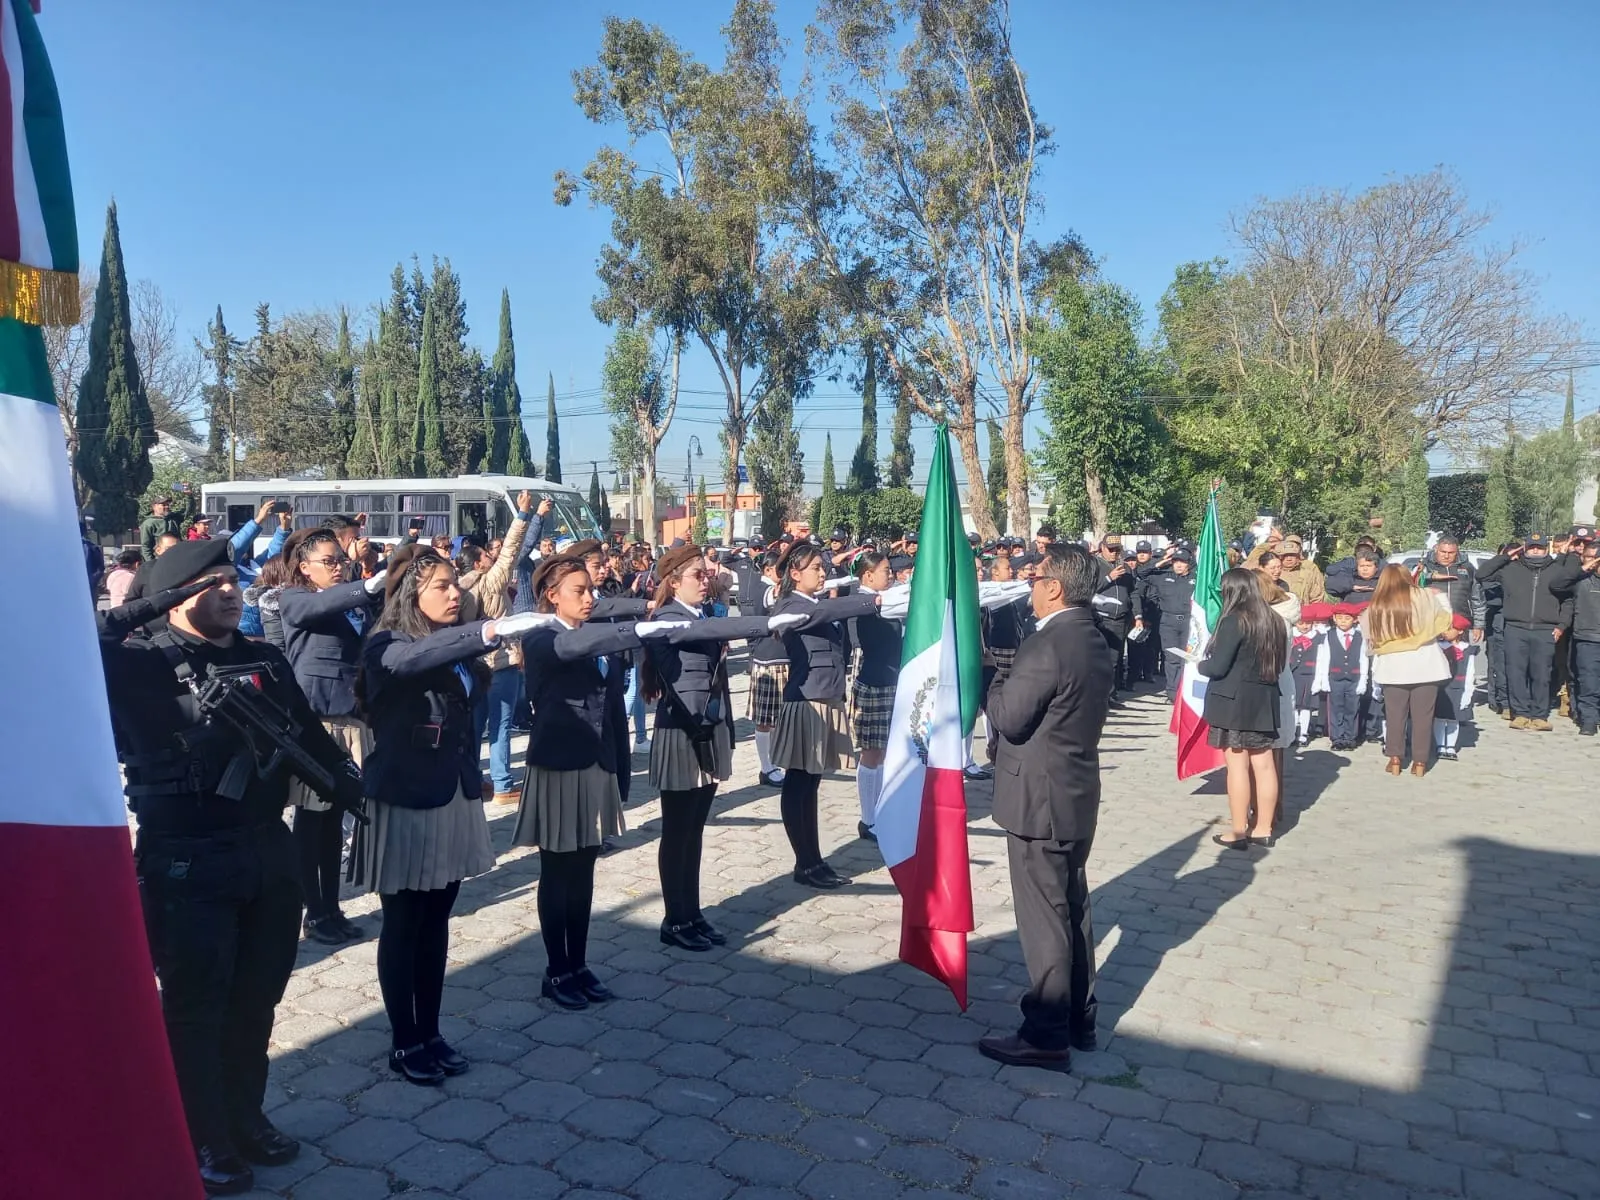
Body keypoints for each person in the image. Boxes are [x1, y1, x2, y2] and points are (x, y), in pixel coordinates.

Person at [98, 539, 363, 1193]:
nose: (227, 590)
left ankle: (246, 1117)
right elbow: (76, 641)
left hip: (267, 850)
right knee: (196, 1006)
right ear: (175, 595)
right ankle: (201, 1135)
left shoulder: (263, 657)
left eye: (230, 580)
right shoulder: (139, 663)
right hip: (187, 858)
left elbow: (308, 733)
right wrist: (148, 605)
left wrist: (350, 782)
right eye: (207, 582)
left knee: (256, 999)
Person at [358, 549, 534, 1085]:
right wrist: (485, 632)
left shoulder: (456, 646)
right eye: (440, 585)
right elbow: (408, 663)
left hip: (453, 792)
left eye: (455, 583)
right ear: (410, 595)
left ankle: (431, 1031)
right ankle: (404, 1040)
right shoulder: (387, 643)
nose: (455, 593)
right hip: (407, 797)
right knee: (404, 922)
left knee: (436, 921)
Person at [512, 554, 674, 1008]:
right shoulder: (542, 637)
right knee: (557, 871)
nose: (589, 598)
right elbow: (569, 650)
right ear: (552, 595)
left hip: (595, 763)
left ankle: (579, 964)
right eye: (579, 591)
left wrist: (617, 765)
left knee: (584, 870)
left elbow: (610, 705)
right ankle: (556, 970)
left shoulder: (592, 634)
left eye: (591, 591)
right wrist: (638, 627)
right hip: (559, 765)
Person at [977, 545, 1114, 1069]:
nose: (1030, 586)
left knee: (1044, 919)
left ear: (1054, 587)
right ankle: (1079, 1019)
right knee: (1072, 908)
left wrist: (996, 677)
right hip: (1074, 792)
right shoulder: (1092, 635)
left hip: (1039, 800)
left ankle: (1046, 1032)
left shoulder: (1048, 641)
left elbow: (1010, 717)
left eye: (1035, 578)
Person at [642, 544, 803, 951]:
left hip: (708, 728)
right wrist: (767, 623)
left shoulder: (699, 615)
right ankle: (674, 919)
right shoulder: (668, 618)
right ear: (673, 582)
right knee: (677, 830)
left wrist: (726, 730)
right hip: (682, 732)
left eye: (707, 573)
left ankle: (692, 912)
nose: (706, 580)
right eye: (697, 575)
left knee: (695, 829)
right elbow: (702, 636)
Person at [279, 528, 387, 945]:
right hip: (318, 724)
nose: (339, 567)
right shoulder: (295, 598)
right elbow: (320, 606)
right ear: (305, 567)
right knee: (312, 822)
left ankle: (332, 906)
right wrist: (367, 585)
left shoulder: (352, 601)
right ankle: (314, 911)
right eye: (329, 561)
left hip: (352, 718)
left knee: (335, 821)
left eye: (342, 559)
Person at [769, 541, 881, 888]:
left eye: (824, 568)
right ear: (795, 573)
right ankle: (804, 863)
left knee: (811, 783)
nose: (823, 573)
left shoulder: (813, 603)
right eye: (816, 568)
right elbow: (827, 612)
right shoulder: (791, 606)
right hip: (806, 702)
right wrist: (872, 600)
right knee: (799, 783)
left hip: (826, 697)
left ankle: (814, 860)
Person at [456, 493, 546, 802]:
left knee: (475, 726)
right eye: (485, 555)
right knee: (501, 725)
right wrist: (523, 514)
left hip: (474, 665)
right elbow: (511, 550)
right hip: (500, 661)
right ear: (478, 563)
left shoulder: (458, 588)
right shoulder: (490, 582)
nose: (491, 558)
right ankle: (503, 784)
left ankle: (473, 778)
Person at [1198, 569, 1288, 849]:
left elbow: (1218, 666)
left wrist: (1199, 664)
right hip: (1265, 698)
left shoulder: (1234, 620)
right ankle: (1264, 828)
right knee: (1265, 764)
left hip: (1233, 701)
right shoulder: (1274, 620)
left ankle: (1238, 831)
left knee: (1237, 766)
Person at [1362, 565, 1463, 775]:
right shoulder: (1425, 596)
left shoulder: (1378, 603)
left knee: (1394, 716)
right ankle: (1420, 762)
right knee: (1423, 717)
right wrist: (1440, 596)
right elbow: (1446, 619)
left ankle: (1395, 758)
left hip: (1393, 667)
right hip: (1426, 664)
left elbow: (1370, 637)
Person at [1477, 535, 1571, 731]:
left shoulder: (1557, 570)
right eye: (1532, 547)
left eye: (1540, 547)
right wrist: (1505, 557)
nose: (1535, 551)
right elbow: (1481, 574)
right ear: (1525, 549)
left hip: (1546, 629)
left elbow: (1568, 600)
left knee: (1542, 675)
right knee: (1515, 673)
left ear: (1546, 549)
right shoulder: (1511, 568)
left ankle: (1539, 715)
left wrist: (1562, 625)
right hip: (1515, 628)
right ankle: (1520, 714)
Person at [848, 552, 902, 841]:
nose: (890, 574)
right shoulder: (863, 601)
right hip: (873, 684)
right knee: (871, 752)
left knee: (881, 753)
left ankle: (878, 811)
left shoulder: (885, 599)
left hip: (889, 682)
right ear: (868, 575)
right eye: (885, 570)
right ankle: (868, 819)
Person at [745, 547, 790, 787]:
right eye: (780, 570)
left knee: (780, 718)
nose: (784, 575)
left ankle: (776, 762)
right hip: (768, 660)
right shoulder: (762, 587)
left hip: (783, 658)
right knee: (766, 719)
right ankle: (766, 767)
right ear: (768, 570)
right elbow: (770, 598)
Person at [1549, 532, 1600, 736]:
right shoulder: (1582, 580)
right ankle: (1588, 720)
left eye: (1593, 558)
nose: (1589, 560)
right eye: (1588, 557)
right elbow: (1556, 584)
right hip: (1587, 638)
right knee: (1588, 682)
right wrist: (1584, 568)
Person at [1140, 550, 1195, 703]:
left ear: (1189, 563)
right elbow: (1141, 573)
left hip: (1188, 623)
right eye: (1175, 561)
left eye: (1182, 562)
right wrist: (1162, 561)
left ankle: (1182, 691)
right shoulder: (1164, 576)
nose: (1178, 565)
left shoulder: (1196, 578)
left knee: (1186, 658)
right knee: (1171, 658)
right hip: (1168, 622)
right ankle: (1172, 692)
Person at [1314, 603, 1370, 749]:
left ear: (1355, 619)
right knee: (1335, 709)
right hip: (1335, 678)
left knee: (1352, 709)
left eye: (1347, 618)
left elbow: (1363, 659)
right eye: (1340, 618)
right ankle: (1337, 738)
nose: (1343, 621)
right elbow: (1325, 657)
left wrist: (1363, 680)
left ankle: (1350, 738)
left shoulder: (1360, 636)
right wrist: (1324, 679)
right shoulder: (1329, 635)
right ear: (1334, 618)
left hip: (1354, 678)